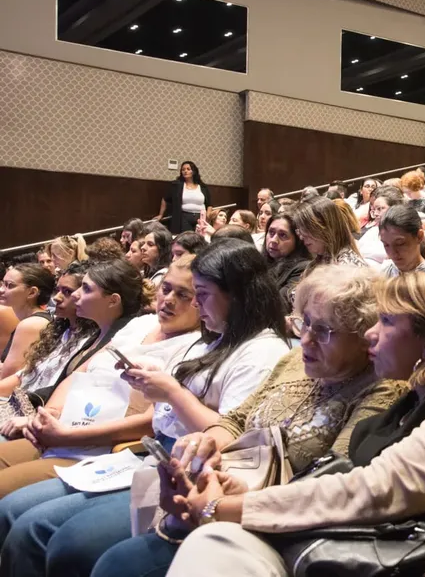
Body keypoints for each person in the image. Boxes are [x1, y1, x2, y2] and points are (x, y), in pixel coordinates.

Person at [158, 272, 425, 577]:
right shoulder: (415, 398)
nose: (371, 334)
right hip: (376, 552)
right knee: (216, 542)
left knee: (217, 541)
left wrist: (224, 507)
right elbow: (347, 478)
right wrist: (239, 489)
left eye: (387, 320)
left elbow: (381, 491)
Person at [82, 266, 407, 577]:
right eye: (305, 323)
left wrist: (227, 503)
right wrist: (207, 442)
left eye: (323, 331)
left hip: (270, 526)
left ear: (366, 338)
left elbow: (331, 484)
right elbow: (235, 421)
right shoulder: (294, 360)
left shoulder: (380, 389)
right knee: (91, 551)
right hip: (219, 490)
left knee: (112, 563)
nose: (306, 340)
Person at [0, 244, 291, 576]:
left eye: (201, 294)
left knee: (61, 540)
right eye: (176, 290)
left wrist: (170, 391)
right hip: (152, 457)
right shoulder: (213, 339)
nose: (195, 303)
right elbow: (162, 415)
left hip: (191, 473)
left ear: (237, 296)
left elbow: (232, 437)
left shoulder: (262, 351)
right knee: (17, 515)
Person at [0, 258, 182, 496]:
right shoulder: (140, 324)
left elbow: (151, 421)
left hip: (99, 446)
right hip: (63, 426)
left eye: (83, 289)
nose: (73, 296)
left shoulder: (189, 346)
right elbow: (79, 374)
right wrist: (51, 415)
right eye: (165, 289)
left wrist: (65, 435)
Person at [0, 263, 96, 399]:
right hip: (21, 398)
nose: (56, 297)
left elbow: (10, 376)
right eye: (58, 290)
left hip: (34, 405)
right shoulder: (60, 329)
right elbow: (25, 375)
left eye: (67, 291)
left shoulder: (92, 339)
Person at [0, 265, 54, 378]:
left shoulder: (30, 325)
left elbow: (8, 376)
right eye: (2, 284)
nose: (1, 290)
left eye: (10, 286)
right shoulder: (32, 321)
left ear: (32, 293)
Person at [290, 197, 366, 275]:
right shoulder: (317, 263)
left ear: (327, 227)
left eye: (306, 229)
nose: (301, 237)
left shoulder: (349, 268)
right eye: (299, 230)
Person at [261, 213, 310, 312]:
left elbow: (279, 307)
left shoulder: (302, 268)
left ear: (297, 240)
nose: (274, 240)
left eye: (282, 235)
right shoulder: (260, 262)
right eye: (271, 232)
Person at [377, 205, 425, 277]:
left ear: (419, 236)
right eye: (386, 245)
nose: (392, 253)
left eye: (400, 244)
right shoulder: (386, 270)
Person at [156, 161, 211, 234]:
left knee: (200, 237)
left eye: (188, 169)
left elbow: (209, 204)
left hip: (201, 217)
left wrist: (208, 215)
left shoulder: (203, 187)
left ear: (194, 171)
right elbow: (165, 199)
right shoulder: (176, 185)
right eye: (183, 169)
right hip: (184, 217)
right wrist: (161, 214)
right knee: (187, 237)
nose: (185, 171)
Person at [356, 186, 405, 264]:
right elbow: (357, 253)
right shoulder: (373, 231)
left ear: (395, 208)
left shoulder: (404, 234)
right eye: (374, 209)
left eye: (379, 209)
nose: (375, 213)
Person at [140, 223, 173, 287]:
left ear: (162, 249)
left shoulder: (162, 277)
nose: (143, 247)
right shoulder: (147, 270)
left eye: (150, 244)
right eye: (144, 243)